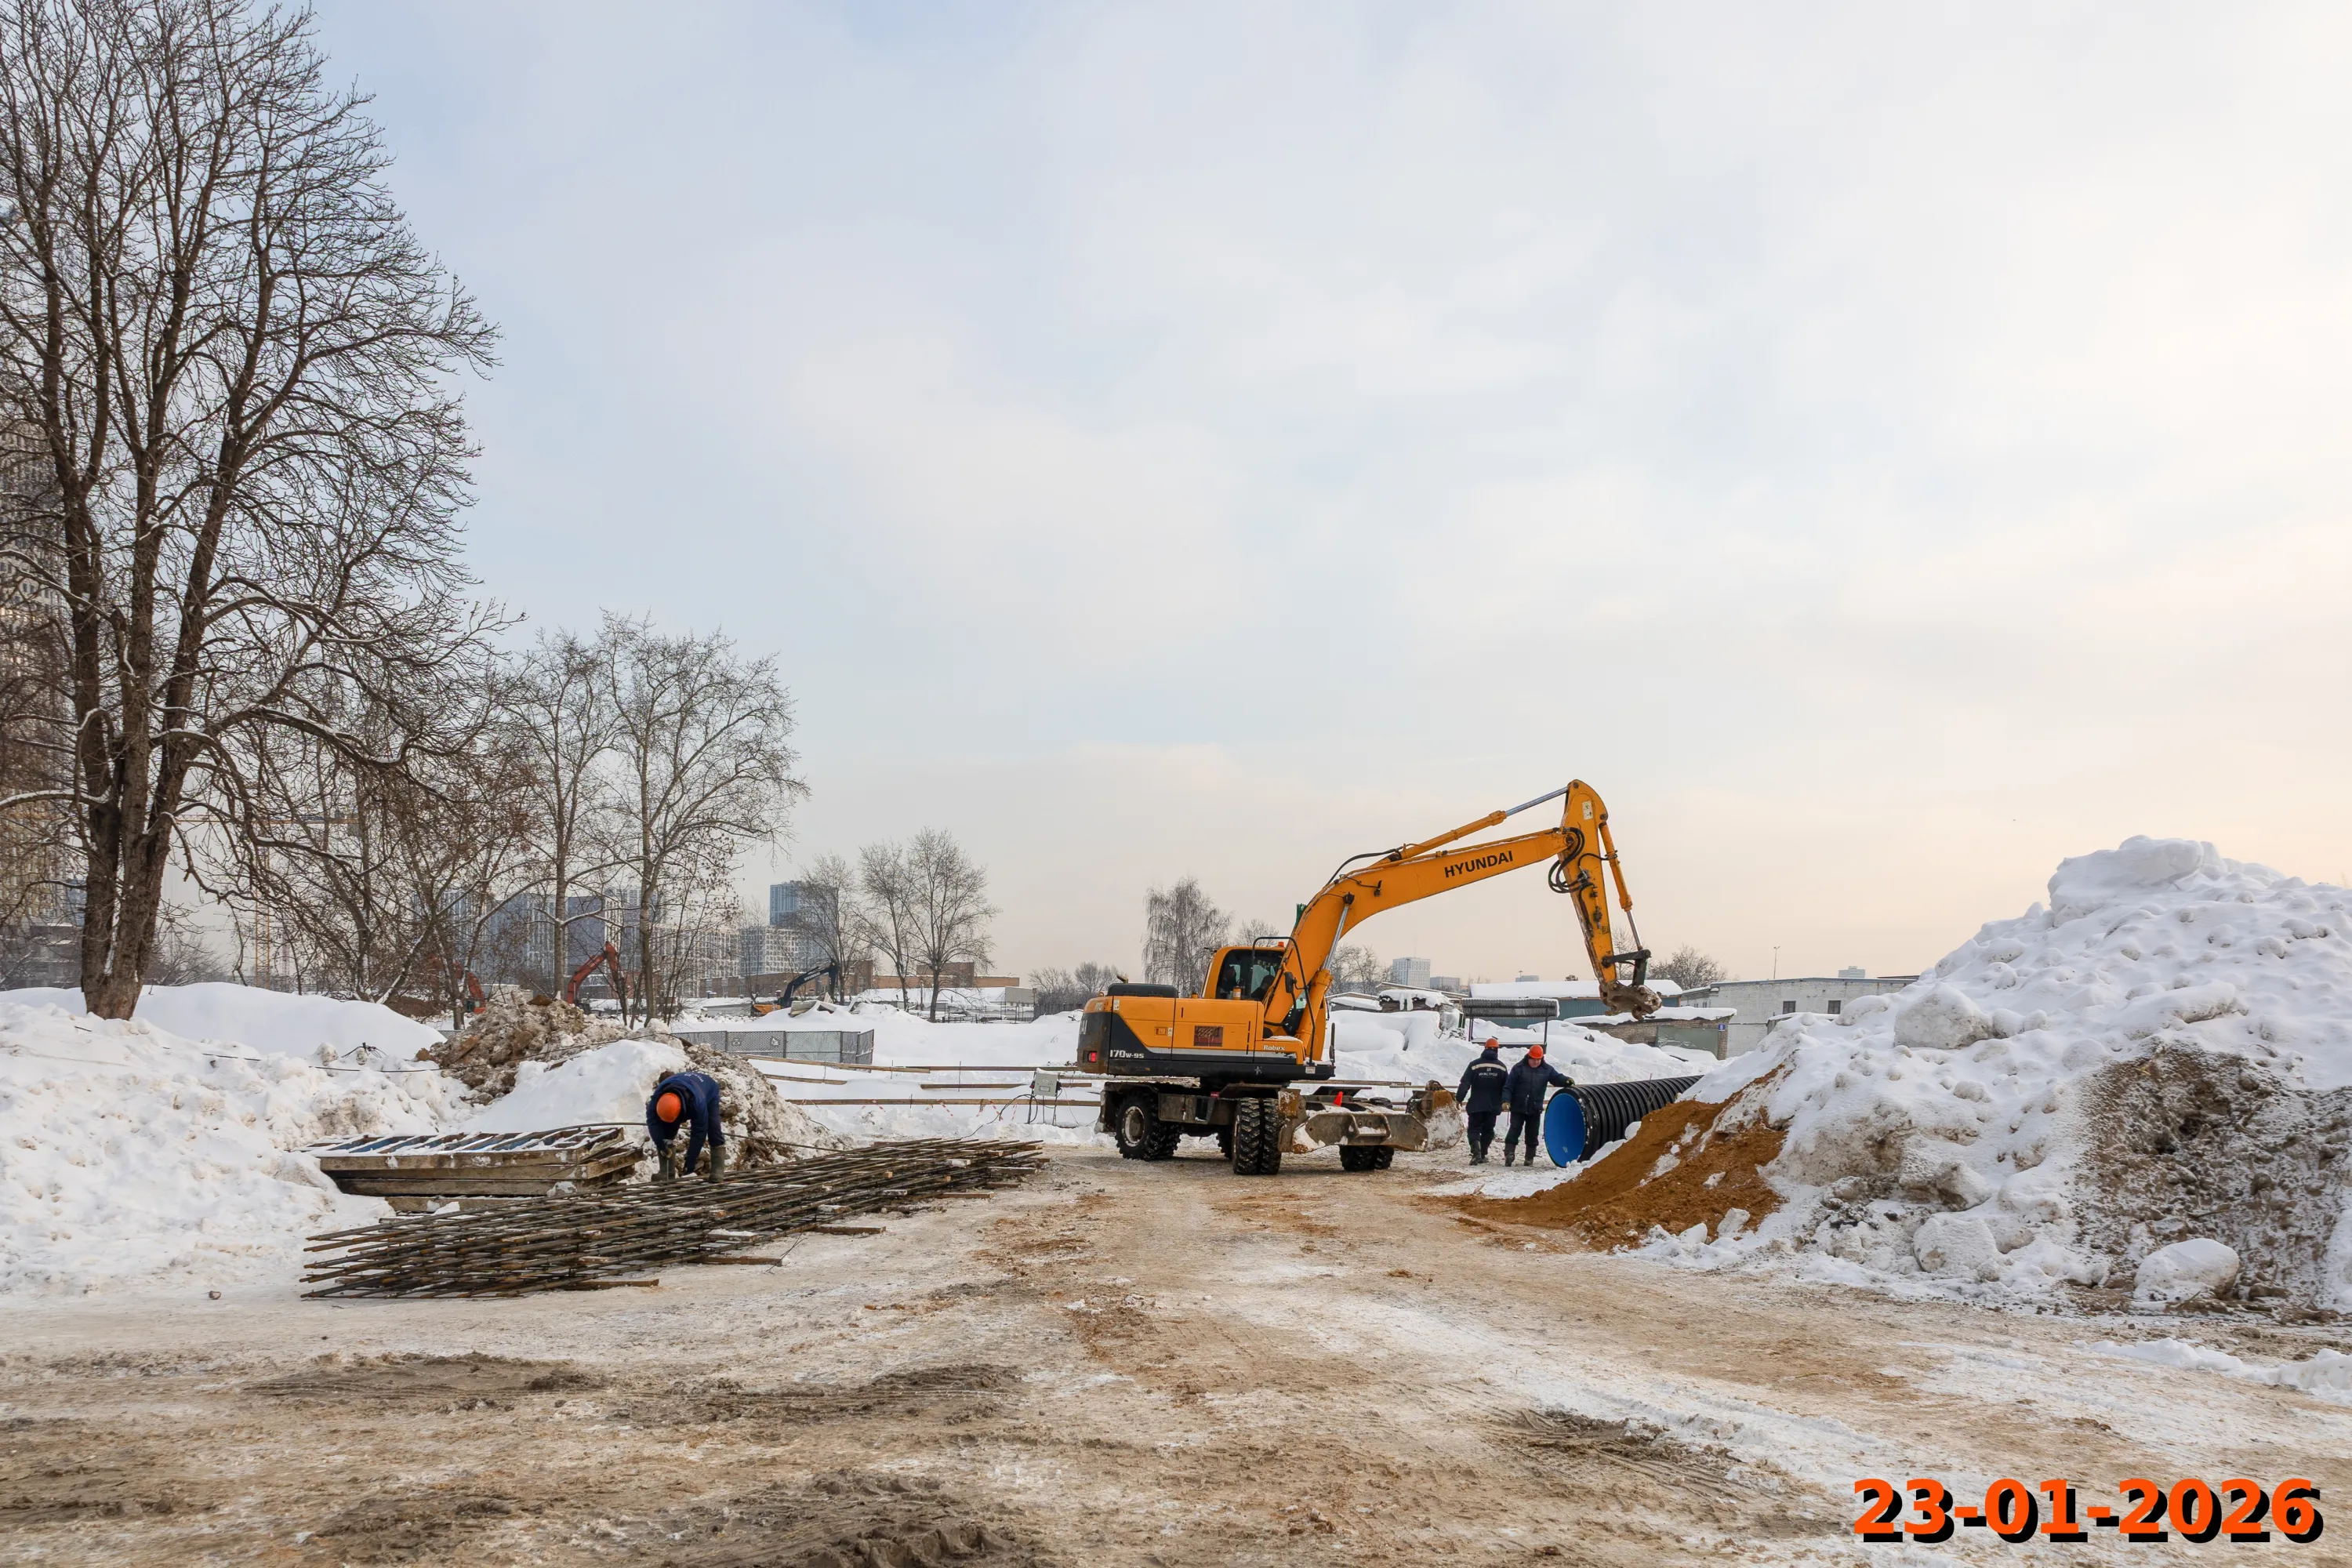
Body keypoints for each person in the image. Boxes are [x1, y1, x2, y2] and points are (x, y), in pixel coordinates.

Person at [646, 1069, 727, 1182]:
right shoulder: (656, 1098)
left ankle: (717, 1170)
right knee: (667, 1131)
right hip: (683, 1084)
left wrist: (691, 1162)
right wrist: (661, 1145)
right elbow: (652, 1123)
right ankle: (667, 1173)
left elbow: (699, 1132)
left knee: (713, 1128)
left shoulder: (697, 1103)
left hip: (707, 1089)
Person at [1502, 1043, 1574, 1167]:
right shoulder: (1518, 1068)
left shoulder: (1547, 1070)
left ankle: (1530, 1157)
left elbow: (1556, 1078)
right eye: (1533, 1060)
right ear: (1528, 1057)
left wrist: (1565, 1080)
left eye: (1538, 1060)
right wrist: (1506, 1100)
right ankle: (1509, 1153)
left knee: (1532, 1133)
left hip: (1535, 1107)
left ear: (1542, 1059)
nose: (1536, 1062)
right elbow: (1509, 1086)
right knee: (1514, 1129)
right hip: (1518, 1106)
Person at [1455, 1040, 1509, 1165]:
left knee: (1474, 1129)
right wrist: (1506, 1101)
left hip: (1476, 1105)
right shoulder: (1501, 1067)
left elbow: (1465, 1084)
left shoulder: (1474, 1065)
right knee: (1488, 1130)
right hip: (1493, 1106)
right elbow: (1507, 1086)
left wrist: (1459, 1098)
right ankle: (1483, 1153)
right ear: (1497, 1050)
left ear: (1485, 1049)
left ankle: (1476, 1153)